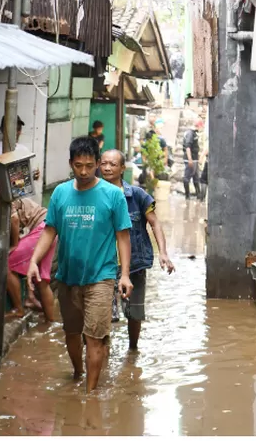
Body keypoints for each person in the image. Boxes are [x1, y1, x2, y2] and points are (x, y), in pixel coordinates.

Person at [27, 137, 133, 393]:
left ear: (97, 163)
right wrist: (33, 261)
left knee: (94, 338)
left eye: (89, 165)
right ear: (70, 164)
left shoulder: (113, 195)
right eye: (78, 166)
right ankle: (78, 374)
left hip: (102, 277)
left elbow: (123, 235)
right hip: (67, 277)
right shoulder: (61, 193)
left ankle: (90, 395)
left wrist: (125, 275)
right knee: (72, 333)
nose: (84, 171)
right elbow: (50, 230)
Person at [100, 150, 175, 350]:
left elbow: (155, 223)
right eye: (104, 163)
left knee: (135, 313)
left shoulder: (138, 196)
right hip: (103, 265)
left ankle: (133, 351)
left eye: (113, 164)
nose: (107, 168)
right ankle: (101, 356)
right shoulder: (92, 195)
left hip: (133, 264)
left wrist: (163, 253)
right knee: (103, 314)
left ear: (122, 168)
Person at [0, 182, 56, 322]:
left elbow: (14, 219)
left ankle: (19, 309)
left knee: (6, 263)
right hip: (49, 227)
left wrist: (15, 244)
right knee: (42, 280)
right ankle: (51, 322)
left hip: (42, 229)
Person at [0, 115, 40, 188]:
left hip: (20, 189)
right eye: (11, 129)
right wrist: (13, 178)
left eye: (18, 129)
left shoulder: (24, 150)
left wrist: (32, 176)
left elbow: (26, 178)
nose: (16, 132)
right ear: (2, 130)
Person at [183, 117, 203, 199]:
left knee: (196, 177)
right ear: (199, 125)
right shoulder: (190, 133)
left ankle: (198, 195)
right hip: (191, 159)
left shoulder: (194, 133)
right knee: (187, 177)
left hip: (194, 159)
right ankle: (187, 196)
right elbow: (188, 146)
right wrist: (190, 159)